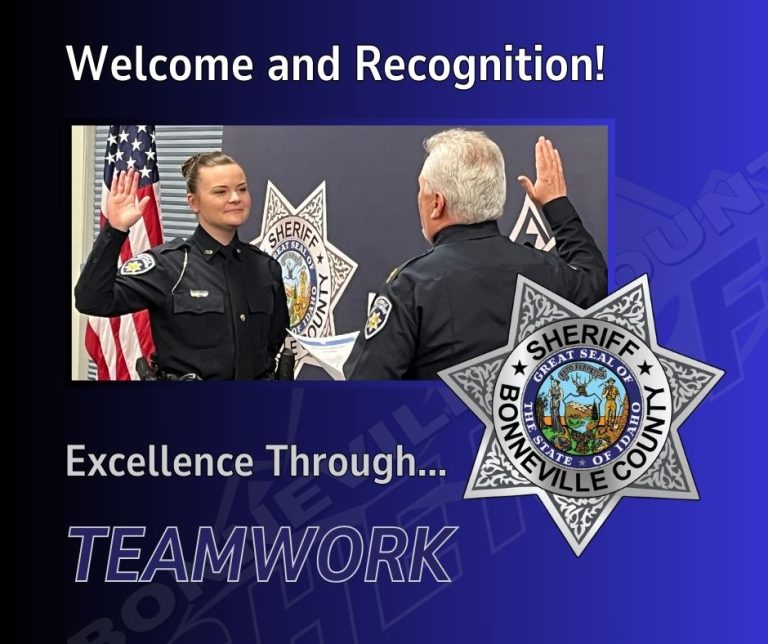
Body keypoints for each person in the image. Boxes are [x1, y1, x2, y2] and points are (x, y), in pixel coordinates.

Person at [344, 131, 607, 380]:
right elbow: (595, 280)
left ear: (437, 203)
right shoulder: (549, 272)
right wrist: (556, 205)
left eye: (422, 190)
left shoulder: (411, 287)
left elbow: (365, 390)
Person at [75, 153, 289, 380]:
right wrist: (115, 230)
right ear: (193, 202)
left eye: (242, 189)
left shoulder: (266, 268)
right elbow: (92, 300)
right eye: (221, 192)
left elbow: (272, 341)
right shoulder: (168, 265)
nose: (235, 198)